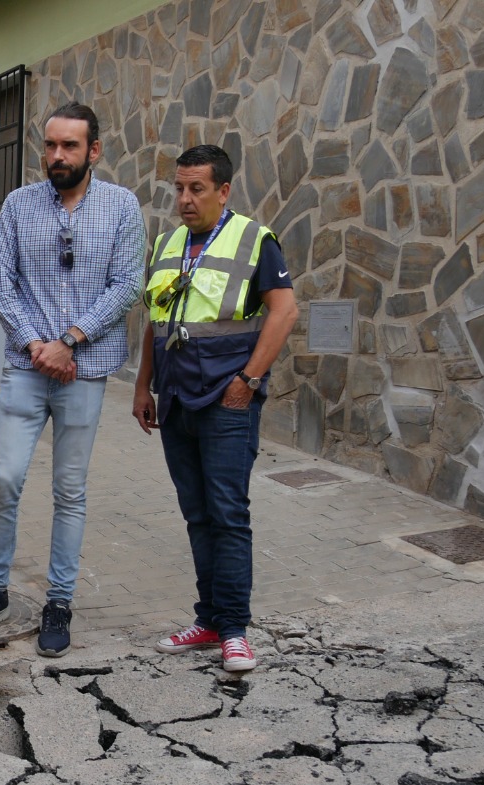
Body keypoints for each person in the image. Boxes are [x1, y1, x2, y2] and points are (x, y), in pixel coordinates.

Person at [0, 102, 146, 658]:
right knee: (5, 479)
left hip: (86, 369)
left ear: (94, 150)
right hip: (27, 365)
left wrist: (72, 340)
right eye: (50, 145)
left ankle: (59, 602)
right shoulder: (18, 205)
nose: (57, 155)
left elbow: (128, 284)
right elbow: (0, 282)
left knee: (70, 490)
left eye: (69, 146)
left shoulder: (121, 207)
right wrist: (40, 345)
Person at [132, 144, 299, 673]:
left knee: (229, 514)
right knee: (197, 513)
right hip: (177, 399)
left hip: (227, 401)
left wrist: (247, 382)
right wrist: (143, 387)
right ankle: (207, 620)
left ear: (223, 190)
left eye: (196, 188)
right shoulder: (166, 244)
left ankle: (234, 630)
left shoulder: (254, 240)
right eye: (179, 188)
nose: (184, 198)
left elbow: (284, 311)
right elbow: (156, 323)